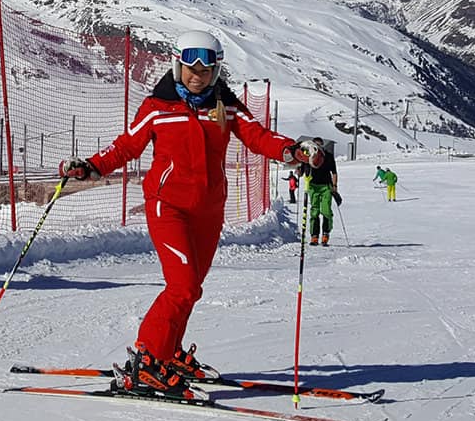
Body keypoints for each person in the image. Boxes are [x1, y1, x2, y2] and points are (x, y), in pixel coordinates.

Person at [59, 29, 316, 398]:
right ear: (178, 67)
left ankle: (171, 352)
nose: (199, 76)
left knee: (190, 289)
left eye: (207, 71)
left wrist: (294, 151)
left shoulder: (225, 107)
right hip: (169, 206)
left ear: (216, 72)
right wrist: (90, 167)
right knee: (182, 286)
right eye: (191, 69)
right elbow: (126, 146)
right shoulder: (157, 108)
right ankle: (146, 363)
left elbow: (258, 137)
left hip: (209, 211)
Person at [299, 137, 340, 246]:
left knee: (326, 210)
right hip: (312, 186)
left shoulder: (328, 156)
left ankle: (326, 233)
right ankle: (314, 236)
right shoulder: (308, 156)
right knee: (314, 211)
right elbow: (301, 171)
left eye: (319, 145)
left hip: (326, 186)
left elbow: (334, 173)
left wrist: (335, 186)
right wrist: (298, 170)